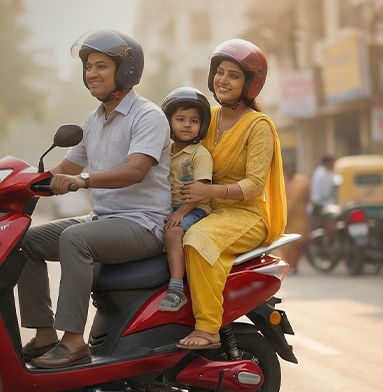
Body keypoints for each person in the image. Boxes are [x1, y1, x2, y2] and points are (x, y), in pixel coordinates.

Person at [18, 29, 171, 369]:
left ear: (125, 71)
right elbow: (65, 167)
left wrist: (81, 181)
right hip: (104, 222)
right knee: (25, 241)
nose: (92, 74)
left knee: (75, 239)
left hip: (142, 226)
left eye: (101, 66)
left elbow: (135, 170)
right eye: (88, 67)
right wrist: (19, 181)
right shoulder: (93, 120)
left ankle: (73, 342)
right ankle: (45, 334)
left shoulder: (148, 116)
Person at [177, 39, 286, 349]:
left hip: (247, 215)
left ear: (250, 84)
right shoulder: (205, 118)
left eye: (234, 75)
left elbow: (254, 185)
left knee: (198, 241)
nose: (222, 80)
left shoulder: (258, 126)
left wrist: (207, 190)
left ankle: (208, 328)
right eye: (219, 72)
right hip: (206, 209)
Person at [158, 87, 214, 312]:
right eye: (180, 119)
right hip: (169, 207)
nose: (187, 125)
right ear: (168, 122)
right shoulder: (164, 151)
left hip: (195, 209)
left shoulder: (199, 154)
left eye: (194, 120)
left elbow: (201, 189)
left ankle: (176, 289)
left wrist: (181, 213)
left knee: (173, 232)